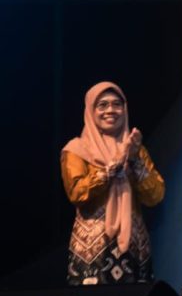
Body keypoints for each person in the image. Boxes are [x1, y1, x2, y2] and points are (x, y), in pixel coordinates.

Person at [61, 81, 164, 285]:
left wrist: (134, 161)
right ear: (90, 111)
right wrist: (110, 169)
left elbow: (155, 196)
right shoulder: (76, 149)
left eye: (117, 104)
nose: (110, 110)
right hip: (92, 250)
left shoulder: (136, 149)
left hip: (135, 248)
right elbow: (77, 193)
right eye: (102, 105)